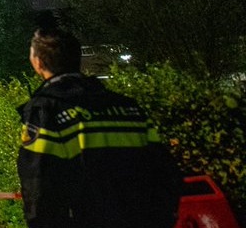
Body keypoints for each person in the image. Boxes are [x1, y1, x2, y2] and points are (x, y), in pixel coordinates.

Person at [17, 27, 182, 227]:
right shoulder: (128, 106)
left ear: (38, 63)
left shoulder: (46, 111)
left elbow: (38, 184)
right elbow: (164, 171)